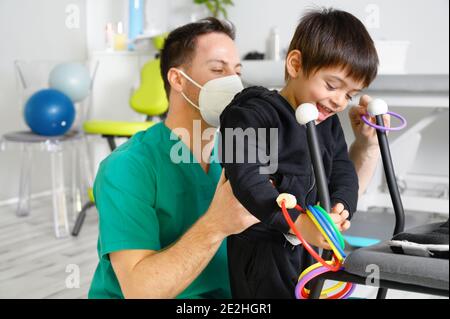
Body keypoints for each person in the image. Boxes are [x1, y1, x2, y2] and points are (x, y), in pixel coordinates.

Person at [88, 17, 389, 299]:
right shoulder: (128, 167)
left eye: (238, 70)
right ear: (177, 80)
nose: (233, 81)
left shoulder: (250, 143)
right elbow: (141, 292)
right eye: (218, 70)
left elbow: (326, 194)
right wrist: (216, 224)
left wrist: (368, 146)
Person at [219, 8, 379, 298]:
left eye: (350, 94)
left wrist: (342, 206)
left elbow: (342, 169)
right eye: (332, 86)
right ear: (295, 64)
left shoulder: (326, 125)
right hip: (262, 251)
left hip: (308, 249)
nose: (340, 101)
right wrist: (297, 223)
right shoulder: (251, 113)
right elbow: (247, 178)